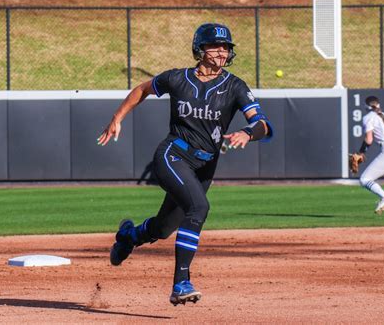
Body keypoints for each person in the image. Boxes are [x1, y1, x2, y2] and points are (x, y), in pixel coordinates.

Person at [97, 23, 273, 306]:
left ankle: (128, 236)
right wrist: (117, 118)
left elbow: (262, 124)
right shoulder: (177, 79)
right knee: (199, 208)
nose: (221, 52)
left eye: (226, 47)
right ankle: (181, 283)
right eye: (215, 46)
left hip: (204, 167)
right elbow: (142, 90)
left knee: (163, 229)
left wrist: (248, 132)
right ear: (199, 49)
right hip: (172, 155)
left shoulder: (235, 86)